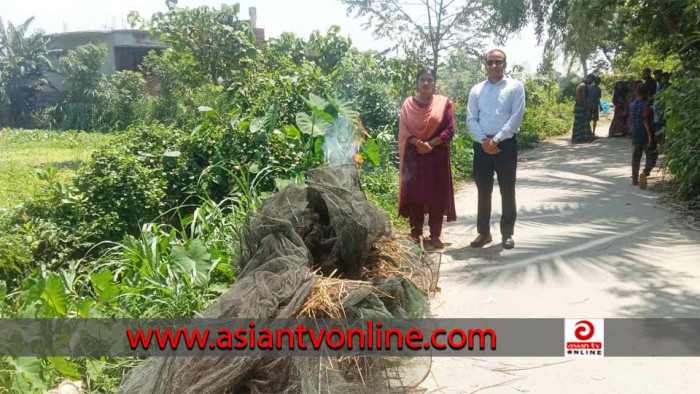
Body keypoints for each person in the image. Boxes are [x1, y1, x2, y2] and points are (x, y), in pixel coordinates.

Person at [467, 49, 525, 249]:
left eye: (498, 62)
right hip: (481, 145)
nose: (494, 66)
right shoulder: (476, 90)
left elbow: (516, 117)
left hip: (506, 145)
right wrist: (484, 140)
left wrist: (497, 139)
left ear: (505, 64)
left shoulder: (515, 87)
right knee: (484, 190)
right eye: (490, 62)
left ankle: (507, 233)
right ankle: (483, 233)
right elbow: (471, 118)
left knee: (507, 190)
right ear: (485, 65)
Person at [398, 69, 456, 249]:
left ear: (434, 83)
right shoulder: (408, 104)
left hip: (436, 156)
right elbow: (403, 129)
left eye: (430, 80)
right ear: (417, 82)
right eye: (423, 79)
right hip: (414, 156)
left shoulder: (443, 103)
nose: (426, 83)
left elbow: (449, 129)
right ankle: (416, 235)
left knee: (436, 195)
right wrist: (418, 142)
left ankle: (435, 235)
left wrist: (431, 143)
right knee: (415, 195)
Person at [629, 84, 658, 189]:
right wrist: (650, 136)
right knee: (652, 155)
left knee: (636, 156)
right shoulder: (647, 105)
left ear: (637, 93)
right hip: (645, 134)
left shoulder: (632, 104)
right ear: (647, 93)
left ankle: (634, 178)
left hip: (635, 133)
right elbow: (645, 120)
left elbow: (631, 120)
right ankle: (645, 173)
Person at [572, 74, 595, 142]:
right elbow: (583, 98)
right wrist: (587, 108)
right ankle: (584, 138)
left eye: (592, 80)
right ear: (587, 78)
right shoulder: (583, 86)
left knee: (578, 122)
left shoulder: (580, 84)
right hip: (581, 106)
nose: (591, 81)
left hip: (578, 105)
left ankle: (578, 138)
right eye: (590, 79)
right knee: (584, 122)